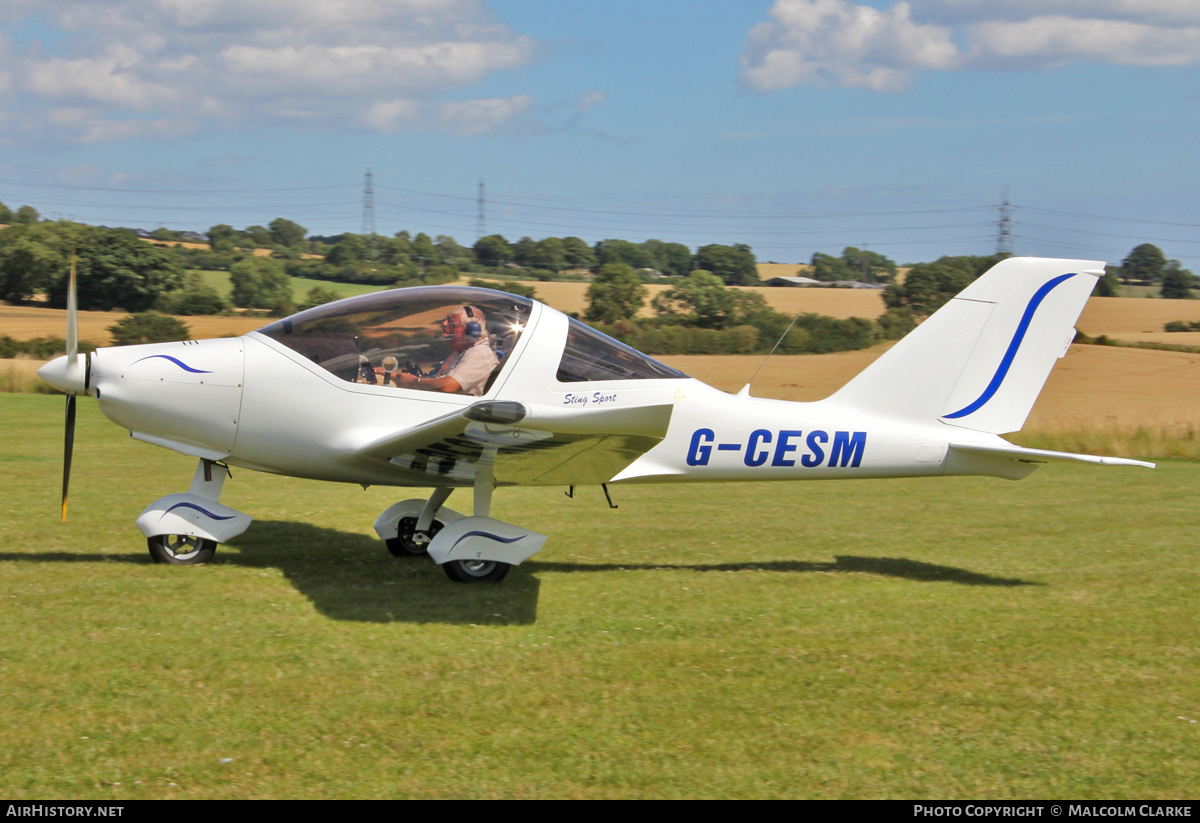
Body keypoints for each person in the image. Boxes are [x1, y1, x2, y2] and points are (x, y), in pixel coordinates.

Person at [392, 305, 498, 396]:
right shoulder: (462, 352)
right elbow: (436, 380)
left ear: (472, 330)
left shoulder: (480, 352)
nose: (446, 333)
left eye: (453, 326)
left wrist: (413, 382)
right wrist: (386, 373)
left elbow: (448, 386)